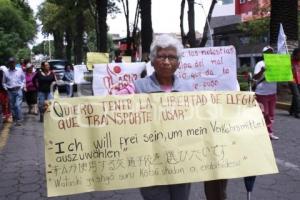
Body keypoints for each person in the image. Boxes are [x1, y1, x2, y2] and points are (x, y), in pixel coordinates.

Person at [111, 34, 227, 200]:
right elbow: (110, 108)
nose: (166, 62)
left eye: (172, 57)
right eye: (161, 56)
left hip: (182, 162)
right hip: (150, 163)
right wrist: (115, 92)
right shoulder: (137, 87)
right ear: (152, 61)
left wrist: (246, 109)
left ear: (178, 63)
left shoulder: (188, 89)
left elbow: (205, 116)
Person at [253, 46, 279, 140]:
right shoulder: (260, 64)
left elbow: (280, 76)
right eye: (267, 52)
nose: (269, 54)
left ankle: (269, 132)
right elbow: (255, 78)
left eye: (270, 52)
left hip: (272, 92)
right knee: (264, 113)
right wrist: (262, 71)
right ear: (263, 54)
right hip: (262, 93)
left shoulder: (276, 64)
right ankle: (260, 131)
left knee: (271, 114)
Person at [2, 57, 25, 126]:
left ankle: (19, 120)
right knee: (12, 106)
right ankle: (15, 117)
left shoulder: (20, 70)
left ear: (15, 63)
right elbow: (3, 82)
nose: (12, 64)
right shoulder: (6, 72)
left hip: (18, 90)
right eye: (10, 62)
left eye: (13, 62)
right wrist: (6, 88)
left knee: (17, 105)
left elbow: (23, 79)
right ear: (8, 63)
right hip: (10, 91)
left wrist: (22, 86)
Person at [289, 48, 300, 118]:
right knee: (297, 96)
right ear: (295, 54)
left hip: (299, 79)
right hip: (291, 80)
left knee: (295, 96)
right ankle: (298, 112)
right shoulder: (289, 60)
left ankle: (291, 110)